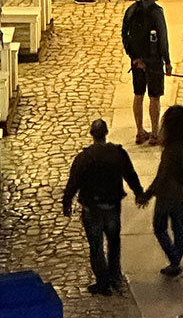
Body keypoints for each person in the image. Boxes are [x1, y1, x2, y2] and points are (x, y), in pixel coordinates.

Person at [61, 118, 144, 296]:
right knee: (114, 242)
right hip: (112, 205)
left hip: (92, 208)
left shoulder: (84, 158)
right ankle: (114, 275)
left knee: (96, 246)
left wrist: (67, 202)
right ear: (106, 133)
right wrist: (139, 192)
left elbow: (73, 182)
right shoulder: (118, 153)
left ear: (92, 134)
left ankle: (102, 281)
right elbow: (130, 174)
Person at [139, 104, 183, 280]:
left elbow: (162, 176)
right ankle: (176, 260)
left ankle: (174, 261)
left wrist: (147, 194)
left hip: (168, 195)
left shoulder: (170, 151)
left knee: (159, 227)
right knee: (179, 226)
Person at [121, 0, 171, 145]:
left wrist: (133, 57)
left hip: (136, 61)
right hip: (154, 61)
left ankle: (139, 131)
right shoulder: (157, 12)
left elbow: (124, 35)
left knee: (138, 94)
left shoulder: (132, 9)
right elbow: (163, 39)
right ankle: (155, 133)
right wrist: (167, 61)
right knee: (154, 96)